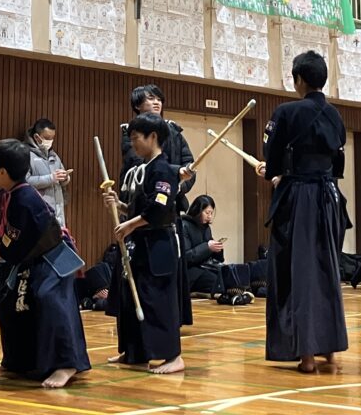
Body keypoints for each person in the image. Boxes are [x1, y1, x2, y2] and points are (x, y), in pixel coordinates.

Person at [0, 139, 90, 389]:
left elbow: (17, 241)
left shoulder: (25, 199)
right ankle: (18, 362)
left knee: (49, 300)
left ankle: (67, 364)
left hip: (53, 257)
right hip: (27, 258)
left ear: (3, 172)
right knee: (8, 302)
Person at [259, 50, 348, 374]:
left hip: (299, 200)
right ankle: (329, 350)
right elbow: (337, 163)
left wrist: (273, 173)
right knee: (326, 271)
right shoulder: (335, 115)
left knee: (297, 273)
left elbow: (272, 157)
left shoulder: (286, 112)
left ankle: (306, 355)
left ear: (298, 79)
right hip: (329, 198)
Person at [103, 112, 184, 374]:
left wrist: (129, 225)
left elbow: (159, 209)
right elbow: (140, 208)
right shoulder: (144, 169)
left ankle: (173, 356)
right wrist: (119, 205)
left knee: (157, 300)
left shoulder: (164, 170)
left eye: (136, 138)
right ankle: (135, 352)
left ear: (153, 137)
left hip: (158, 244)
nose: (133, 143)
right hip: (139, 243)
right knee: (132, 296)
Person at [112, 84, 195, 328]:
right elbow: (138, 163)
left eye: (159, 98)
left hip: (167, 210)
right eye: (150, 99)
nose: (156, 102)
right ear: (137, 105)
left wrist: (179, 182)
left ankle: (168, 321)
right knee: (137, 273)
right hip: (140, 208)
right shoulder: (132, 133)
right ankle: (137, 327)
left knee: (166, 271)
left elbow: (188, 164)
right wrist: (173, 174)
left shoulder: (174, 132)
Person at [179, 195, 253, 305]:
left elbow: (216, 258)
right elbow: (186, 256)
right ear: (198, 211)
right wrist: (207, 247)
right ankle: (231, 295)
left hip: (206, 266)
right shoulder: (184, 225)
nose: (209, 216)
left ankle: (241, 292)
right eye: (207, 213)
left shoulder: (206, 228)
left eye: (211, 213)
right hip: (192, 272)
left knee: (229, 272)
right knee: (216, 280)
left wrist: (217, 250)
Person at [25, 118, 71, 227]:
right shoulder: (25, 154)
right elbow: (24, 182)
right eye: (47, 138)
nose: (50, 141)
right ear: (37, 137)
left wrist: (65, 178)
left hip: (58, 216)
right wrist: (51, 178)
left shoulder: (54, 155)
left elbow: (61, 179)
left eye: (52, 138)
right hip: (37, 216)